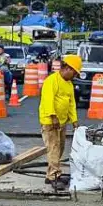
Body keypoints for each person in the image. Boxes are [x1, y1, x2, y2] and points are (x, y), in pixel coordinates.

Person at [39, 54, 81, 188]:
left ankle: (50, 174)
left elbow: (71, 103)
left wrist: (74, 120)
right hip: (50, 121)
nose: (74, 76)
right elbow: (47, 100)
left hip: (62, 122)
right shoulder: (52, 80)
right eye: (74, 72)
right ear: (67, 68)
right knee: (54, 148)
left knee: (60, 147)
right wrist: (53, 117)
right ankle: (54, 176)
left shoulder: (68, 84)